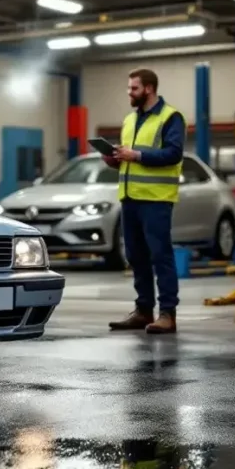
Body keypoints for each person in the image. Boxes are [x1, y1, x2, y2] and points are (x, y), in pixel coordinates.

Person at [103, 68, 185, 335]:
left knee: (161, 256)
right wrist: (115, 159)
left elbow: (173, 154)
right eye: (129, 88)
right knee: (136, 256)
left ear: (149, 89)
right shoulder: (129, 120)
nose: (130, 93)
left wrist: (136, 155)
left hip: (156, 200)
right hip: (130, 198)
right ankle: (143, 310)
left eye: (134, 88)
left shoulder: (170, 117)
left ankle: (168, 314)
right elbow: (131, 159)